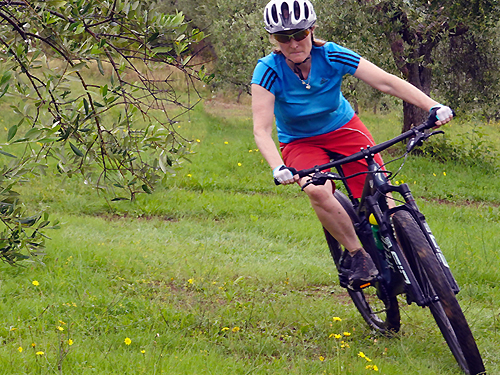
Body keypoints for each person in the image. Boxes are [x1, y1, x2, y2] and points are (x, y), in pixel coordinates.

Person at [251, 0, 453, 288]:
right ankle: (357, 254)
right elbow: (262, 129)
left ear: (312, 30)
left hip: (344, 129)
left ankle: (406, 258)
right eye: (283, 37)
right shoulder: (268, 71)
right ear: (274, 39)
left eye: (299, 34)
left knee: (382, 195)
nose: (293, 43)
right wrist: (278, 167)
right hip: (300, 141)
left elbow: (387, 83)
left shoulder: (331, 54)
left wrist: (432, 105)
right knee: (317, 191)